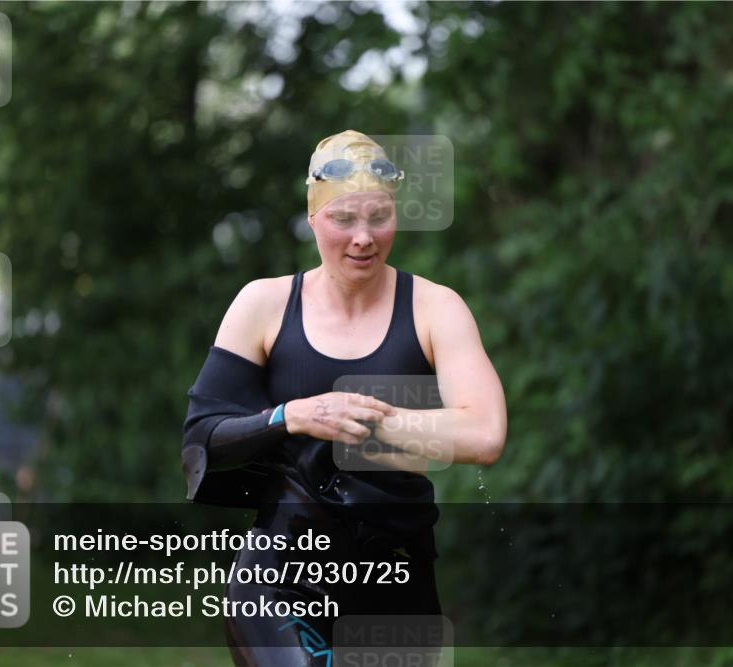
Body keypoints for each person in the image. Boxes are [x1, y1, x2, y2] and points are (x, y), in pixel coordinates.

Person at [182, 130, 507, 666]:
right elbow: (202, 439)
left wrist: (364, 420)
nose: (363, 238)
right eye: (343, 219)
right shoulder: (264, 304)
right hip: (282, 576)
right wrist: (294, 416)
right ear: (313, 217)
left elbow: (485, 434)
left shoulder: (434, 308)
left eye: (379, 217)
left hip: (397, 576)